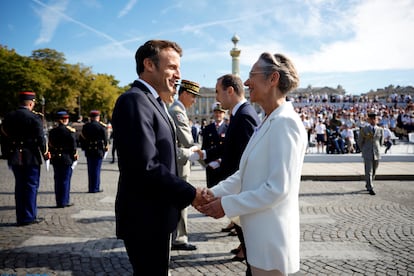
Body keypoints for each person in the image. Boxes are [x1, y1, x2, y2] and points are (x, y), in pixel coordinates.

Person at [197, 52, 307, 276]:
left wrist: (225, 205)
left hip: (271, 242)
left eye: (251, 76)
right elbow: (244, 173)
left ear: (273, 79)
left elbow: (277, 189)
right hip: (258, 240)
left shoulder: (285, 123)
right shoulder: (268, 119)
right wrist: (213, 192)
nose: (246, 83)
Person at [111, 39, 207, 276]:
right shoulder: (134, 100)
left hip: (157, 215)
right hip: (145, 218)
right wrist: (191, 193)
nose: (178, 75)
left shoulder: (154, 102)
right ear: (149, 64)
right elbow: (146, 166)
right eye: (172, 67)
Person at [200, 74, 260, 273]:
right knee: (242, 230)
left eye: (218, 92)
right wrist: (207, 153)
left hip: (240, 183)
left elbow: (248, 155)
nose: (217, 97)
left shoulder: (245, 115)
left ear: (230, 90)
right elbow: (229, 146)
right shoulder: (239, 113)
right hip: (235, 181)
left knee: (250, 240)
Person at [0, 91, 49, 226]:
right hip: (30, 156)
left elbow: (3, 137)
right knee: (31, 186)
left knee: (19, 186)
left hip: (15, 155)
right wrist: (45, 153)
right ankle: (28, 216)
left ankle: (20, 216)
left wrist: (6, 153)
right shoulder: (34, 117)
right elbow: (40, 138)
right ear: (31, 103)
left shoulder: (9, 116)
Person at [168, 79, 202, 251]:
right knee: (181, 201)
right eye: (193, 96)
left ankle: (175, 235)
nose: (194, 101)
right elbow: (188, 141)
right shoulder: (177, 111)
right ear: (185, 93)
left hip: (177, 161)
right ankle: (179, 238)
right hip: (180, 163)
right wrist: (204, 158)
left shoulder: (176, 109)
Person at [48, 110, 78, 208]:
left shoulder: (52, 131)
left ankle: (58, 201)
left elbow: (50, 145)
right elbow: (73, 146)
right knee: (65, 180)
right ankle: (64, 201)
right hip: (66, 158)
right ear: (65, 120)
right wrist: (74, 156)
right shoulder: (70, 131)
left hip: (56, 157)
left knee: (57, 180)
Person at [201, 102, 228, 188]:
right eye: (216, 112)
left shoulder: (229, 128)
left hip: (224, 165)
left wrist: (220, 160)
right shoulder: (208, 129)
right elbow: (204, 147)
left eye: (220, 112)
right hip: (211, 166)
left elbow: (230, 148)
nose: (218, 115)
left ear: (224, 114)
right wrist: (207, 163)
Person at [79, 110, 108, 193]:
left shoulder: (86, 126)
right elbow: (105, 139)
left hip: (89, 150)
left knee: (90, 169)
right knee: (97, 169)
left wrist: (84, 148)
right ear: (98, 117)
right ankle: (95, 187)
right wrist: (105, 148)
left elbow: (82, 139)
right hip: (98, 150)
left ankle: (91, 187)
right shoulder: (101, 126)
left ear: (90, 117)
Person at [357, 112, 384, 195]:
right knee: (368, 170)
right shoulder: (364, 129)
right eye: (371, 119)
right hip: (367, 151)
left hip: (376, 152)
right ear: (369, 120)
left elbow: (381, 141)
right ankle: (370, 187)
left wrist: (378, 148)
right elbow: (360, 141)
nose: (373, 120)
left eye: (375, 119)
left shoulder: (380, 129)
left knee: (374, 170)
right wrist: (363, 149)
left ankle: (369, 183)